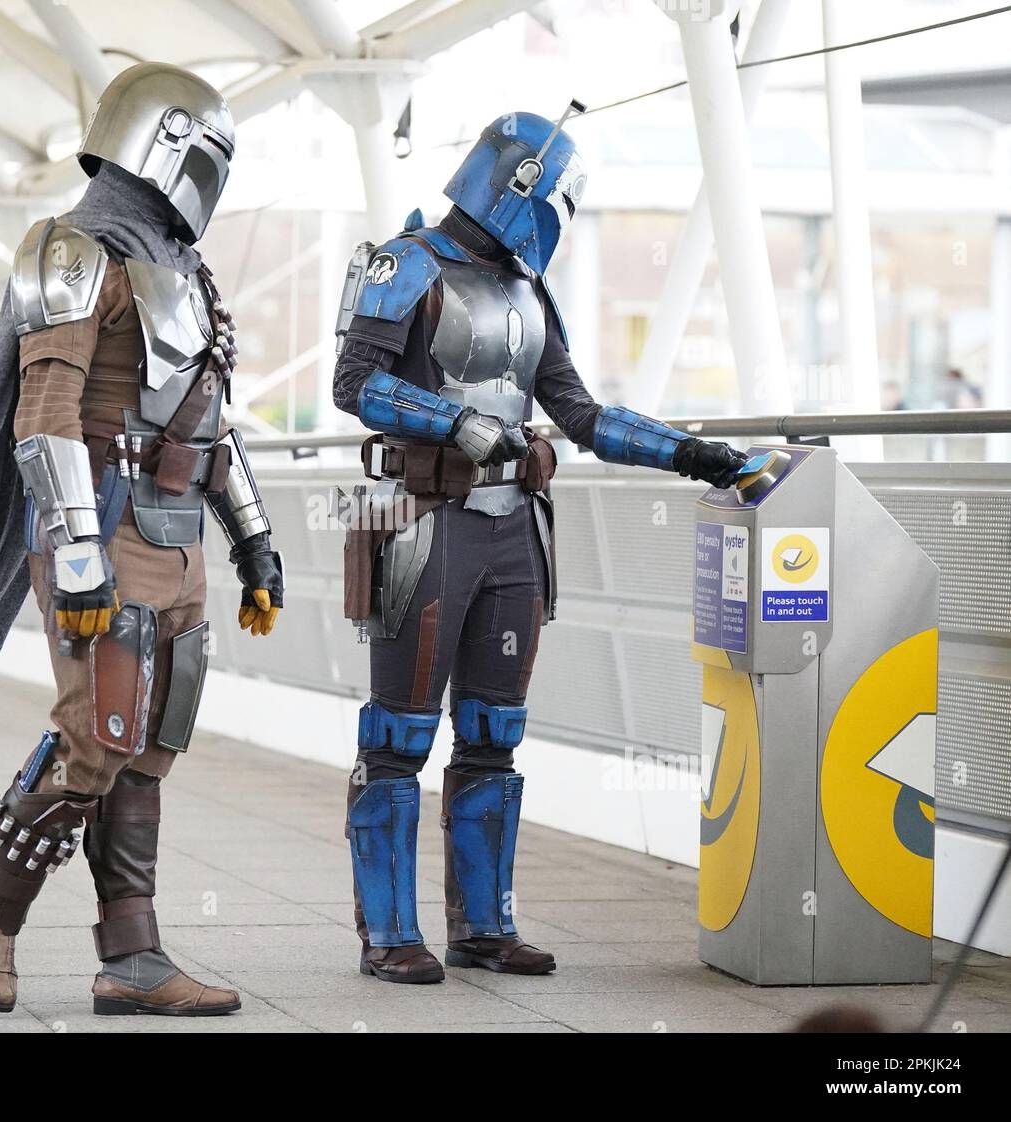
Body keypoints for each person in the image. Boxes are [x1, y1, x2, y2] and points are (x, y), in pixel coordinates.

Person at [0, 63, 284, 1018]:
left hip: (177, 540)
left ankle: (131, 956)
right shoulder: (73, 251)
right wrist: (78, 551)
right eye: (207, 158)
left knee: (152, 744)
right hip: (106, 529)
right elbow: (45, 420)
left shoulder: (183, 268)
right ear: (166, 145)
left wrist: (254, 544)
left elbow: (210, 425)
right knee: (97, 737)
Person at [333, 107, 747, 984]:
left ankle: (483, 927)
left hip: (515, 525)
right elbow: (355, 383)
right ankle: (389, 935)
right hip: (418, 516)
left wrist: (695, 455)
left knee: (494, 732)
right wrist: (459, 422)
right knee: (397, 737)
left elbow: (584, 416)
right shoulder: (401, 264)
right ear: (522, 185)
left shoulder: (527, 290)